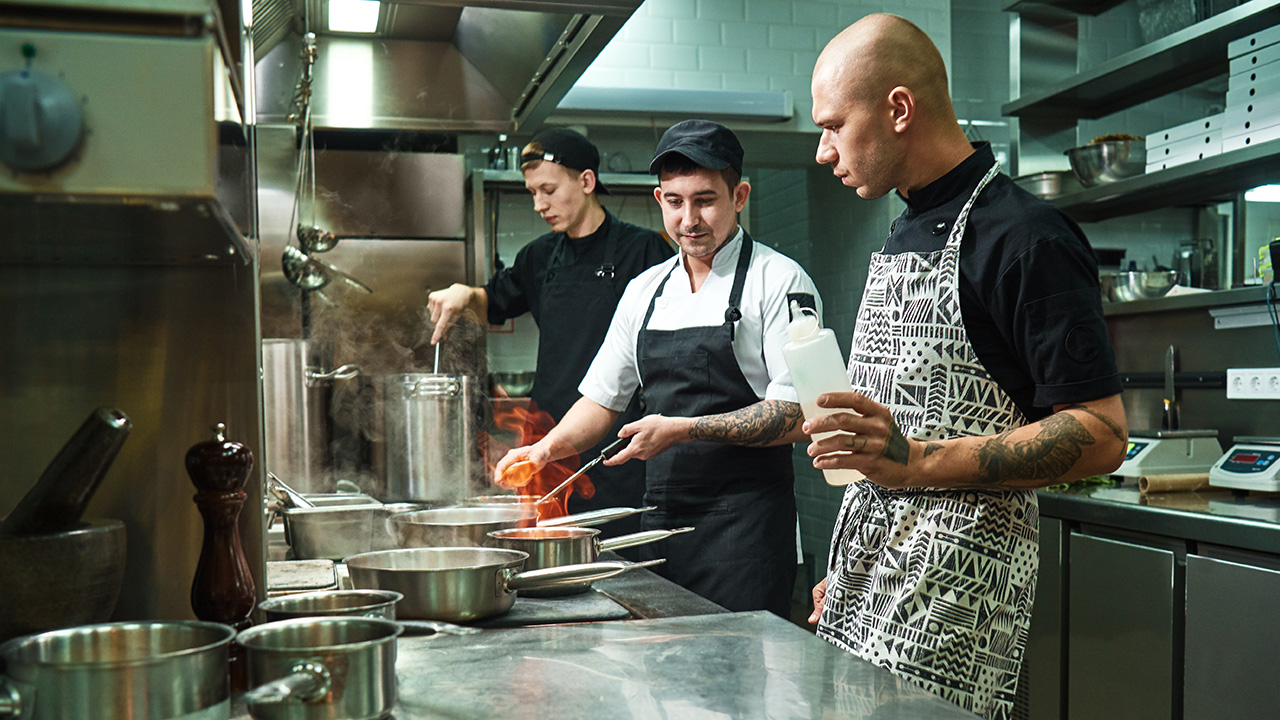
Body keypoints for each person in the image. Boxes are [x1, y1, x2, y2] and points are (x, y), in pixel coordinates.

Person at [804, 14, 1128, 720]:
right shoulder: (903, 227)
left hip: (958, 594)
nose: (824, 151)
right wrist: (853, 564)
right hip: (873, 575)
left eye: (833, 125)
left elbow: (1101, 434)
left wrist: (916, 462)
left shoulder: (1025, 237)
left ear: (897, 110)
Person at [494, 120, 821, 617]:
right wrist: (543, 451)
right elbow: (602, 402)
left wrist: (683, 430)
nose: (688, 218)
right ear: (658, 198)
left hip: (746, 529)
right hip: (659, 523)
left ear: (740, 196)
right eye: (674, 201)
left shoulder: (779, 280)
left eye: (705, 199)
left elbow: (800, 415)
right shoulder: (645, 290)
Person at [428, 128, 672, 529]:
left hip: (616, 437)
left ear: (586, 181)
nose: (539, 204)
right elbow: (495, 299)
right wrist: (464, 294)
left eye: (548, 190)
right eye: (532, 193)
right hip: (547, 433)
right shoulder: (538, 257)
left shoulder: (642, 251)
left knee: (617, 555)